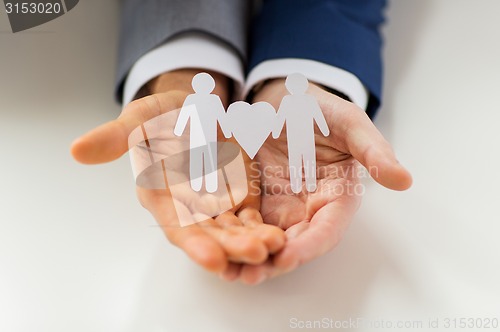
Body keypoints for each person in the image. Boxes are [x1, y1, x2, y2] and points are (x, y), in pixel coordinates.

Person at [71, 0, 412, 285]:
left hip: (291, 139)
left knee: (299, 164)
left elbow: (303, 121)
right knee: (209, 164)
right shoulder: (195, 105)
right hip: (206, 141)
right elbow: (199, 120)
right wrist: (180, 75)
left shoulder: (299, 103)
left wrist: (306, 81)